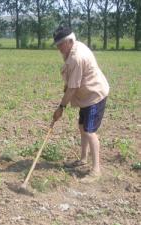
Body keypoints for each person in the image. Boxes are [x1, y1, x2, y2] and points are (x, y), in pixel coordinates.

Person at [52, 27, 110, 183]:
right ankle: (83, 159)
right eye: (57, 45)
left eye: (60, 44)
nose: (58, 48)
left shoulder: (77, 57)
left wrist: (61, 107)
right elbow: (72, 81)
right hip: (86, 95)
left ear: (70, 41)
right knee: (82, 126)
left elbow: (73, 88)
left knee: (90, 131)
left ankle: (96, 170)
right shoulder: (73, 49)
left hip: (94, 95)